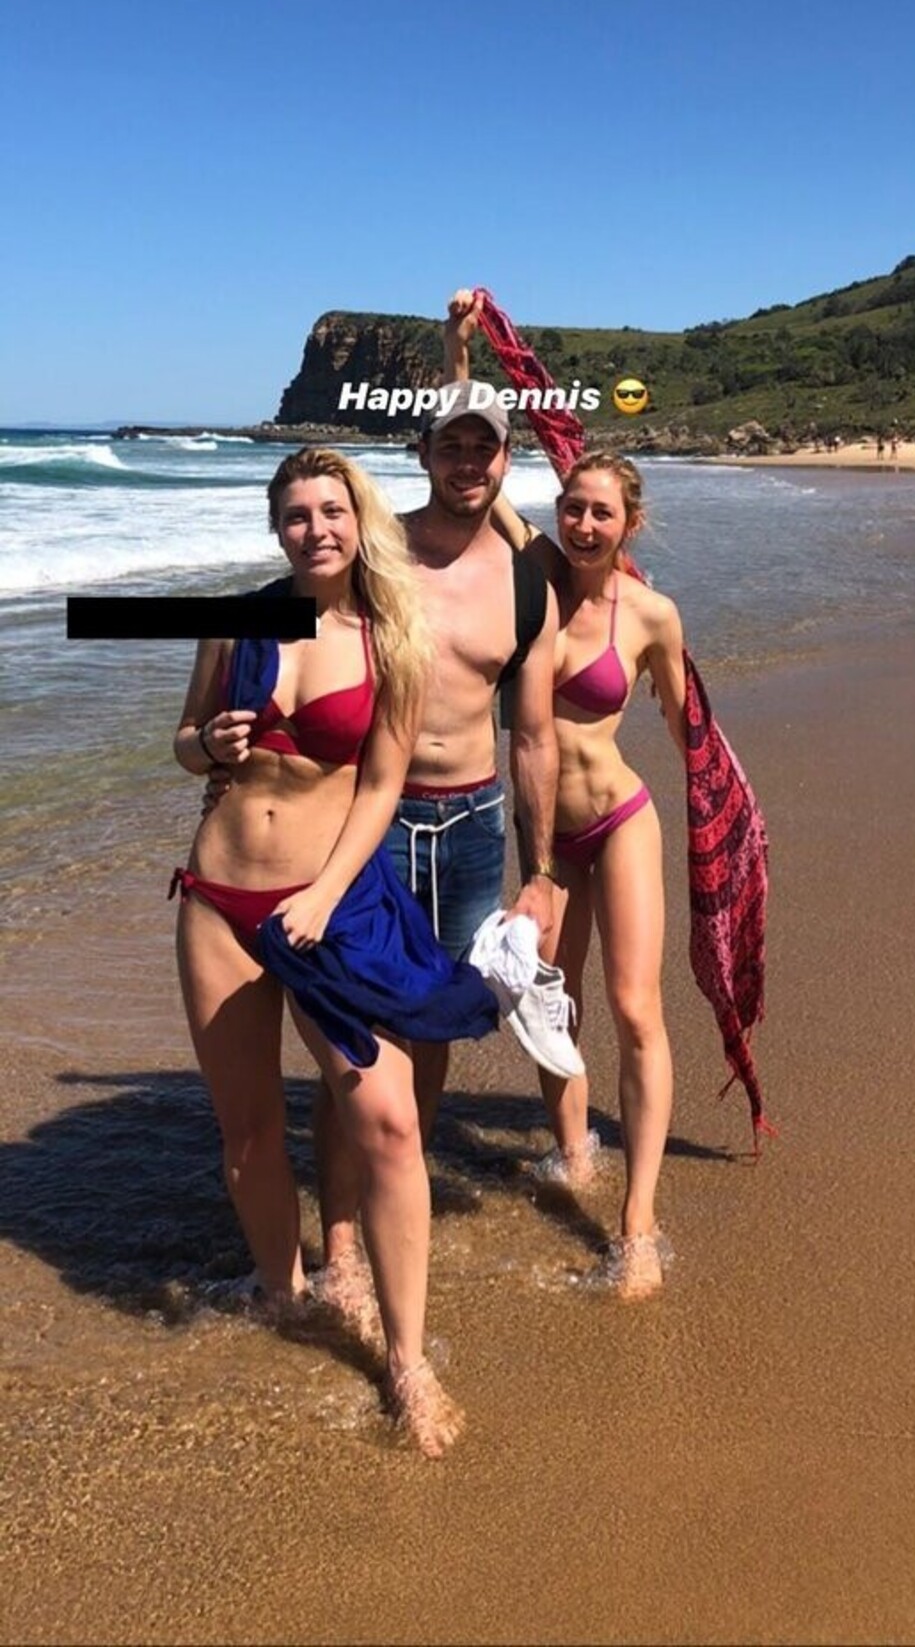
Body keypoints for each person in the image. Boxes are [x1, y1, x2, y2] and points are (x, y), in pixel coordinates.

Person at [172, 446, 498, 1457]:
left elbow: (383, 784)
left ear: (359, 520)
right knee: (248, 1132)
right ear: (276, 527)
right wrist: (209, 747)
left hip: (329, 902)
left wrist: (320, 894)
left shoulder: (393, 635)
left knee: (388, 1122)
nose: (315, 527)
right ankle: (287, 1296)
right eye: (296, 513)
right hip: (220, 901)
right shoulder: (237, 620)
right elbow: (182, 738)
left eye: (332, 509)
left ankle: (407, 1359)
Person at [313, 293, 562, 1302]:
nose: (468, 460)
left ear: (504, 461)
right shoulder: (377, 556)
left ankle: (400, 1195)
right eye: (450, 444)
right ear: (421, 453)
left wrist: (542, 873)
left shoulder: (529, 579)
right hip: (372, 819)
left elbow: (533, 734)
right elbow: (293, 620)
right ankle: (339, 1241)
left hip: (473, 827)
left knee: (432, 1023)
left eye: (484, 447)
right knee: (353, 1032)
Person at [492, 449, 688, 1300]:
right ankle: (574, 1150)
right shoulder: (535, 571)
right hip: (546, 836)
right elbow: (480, 489)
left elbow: (686, 722)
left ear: (629, 524)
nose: (584, 524)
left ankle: (637, 1225)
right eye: (573, 506)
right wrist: (458, 373)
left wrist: (726, 815)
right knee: (550, 1004)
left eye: (602, 512)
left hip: (619, 821)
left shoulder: (651, 615)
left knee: (635, 1006)